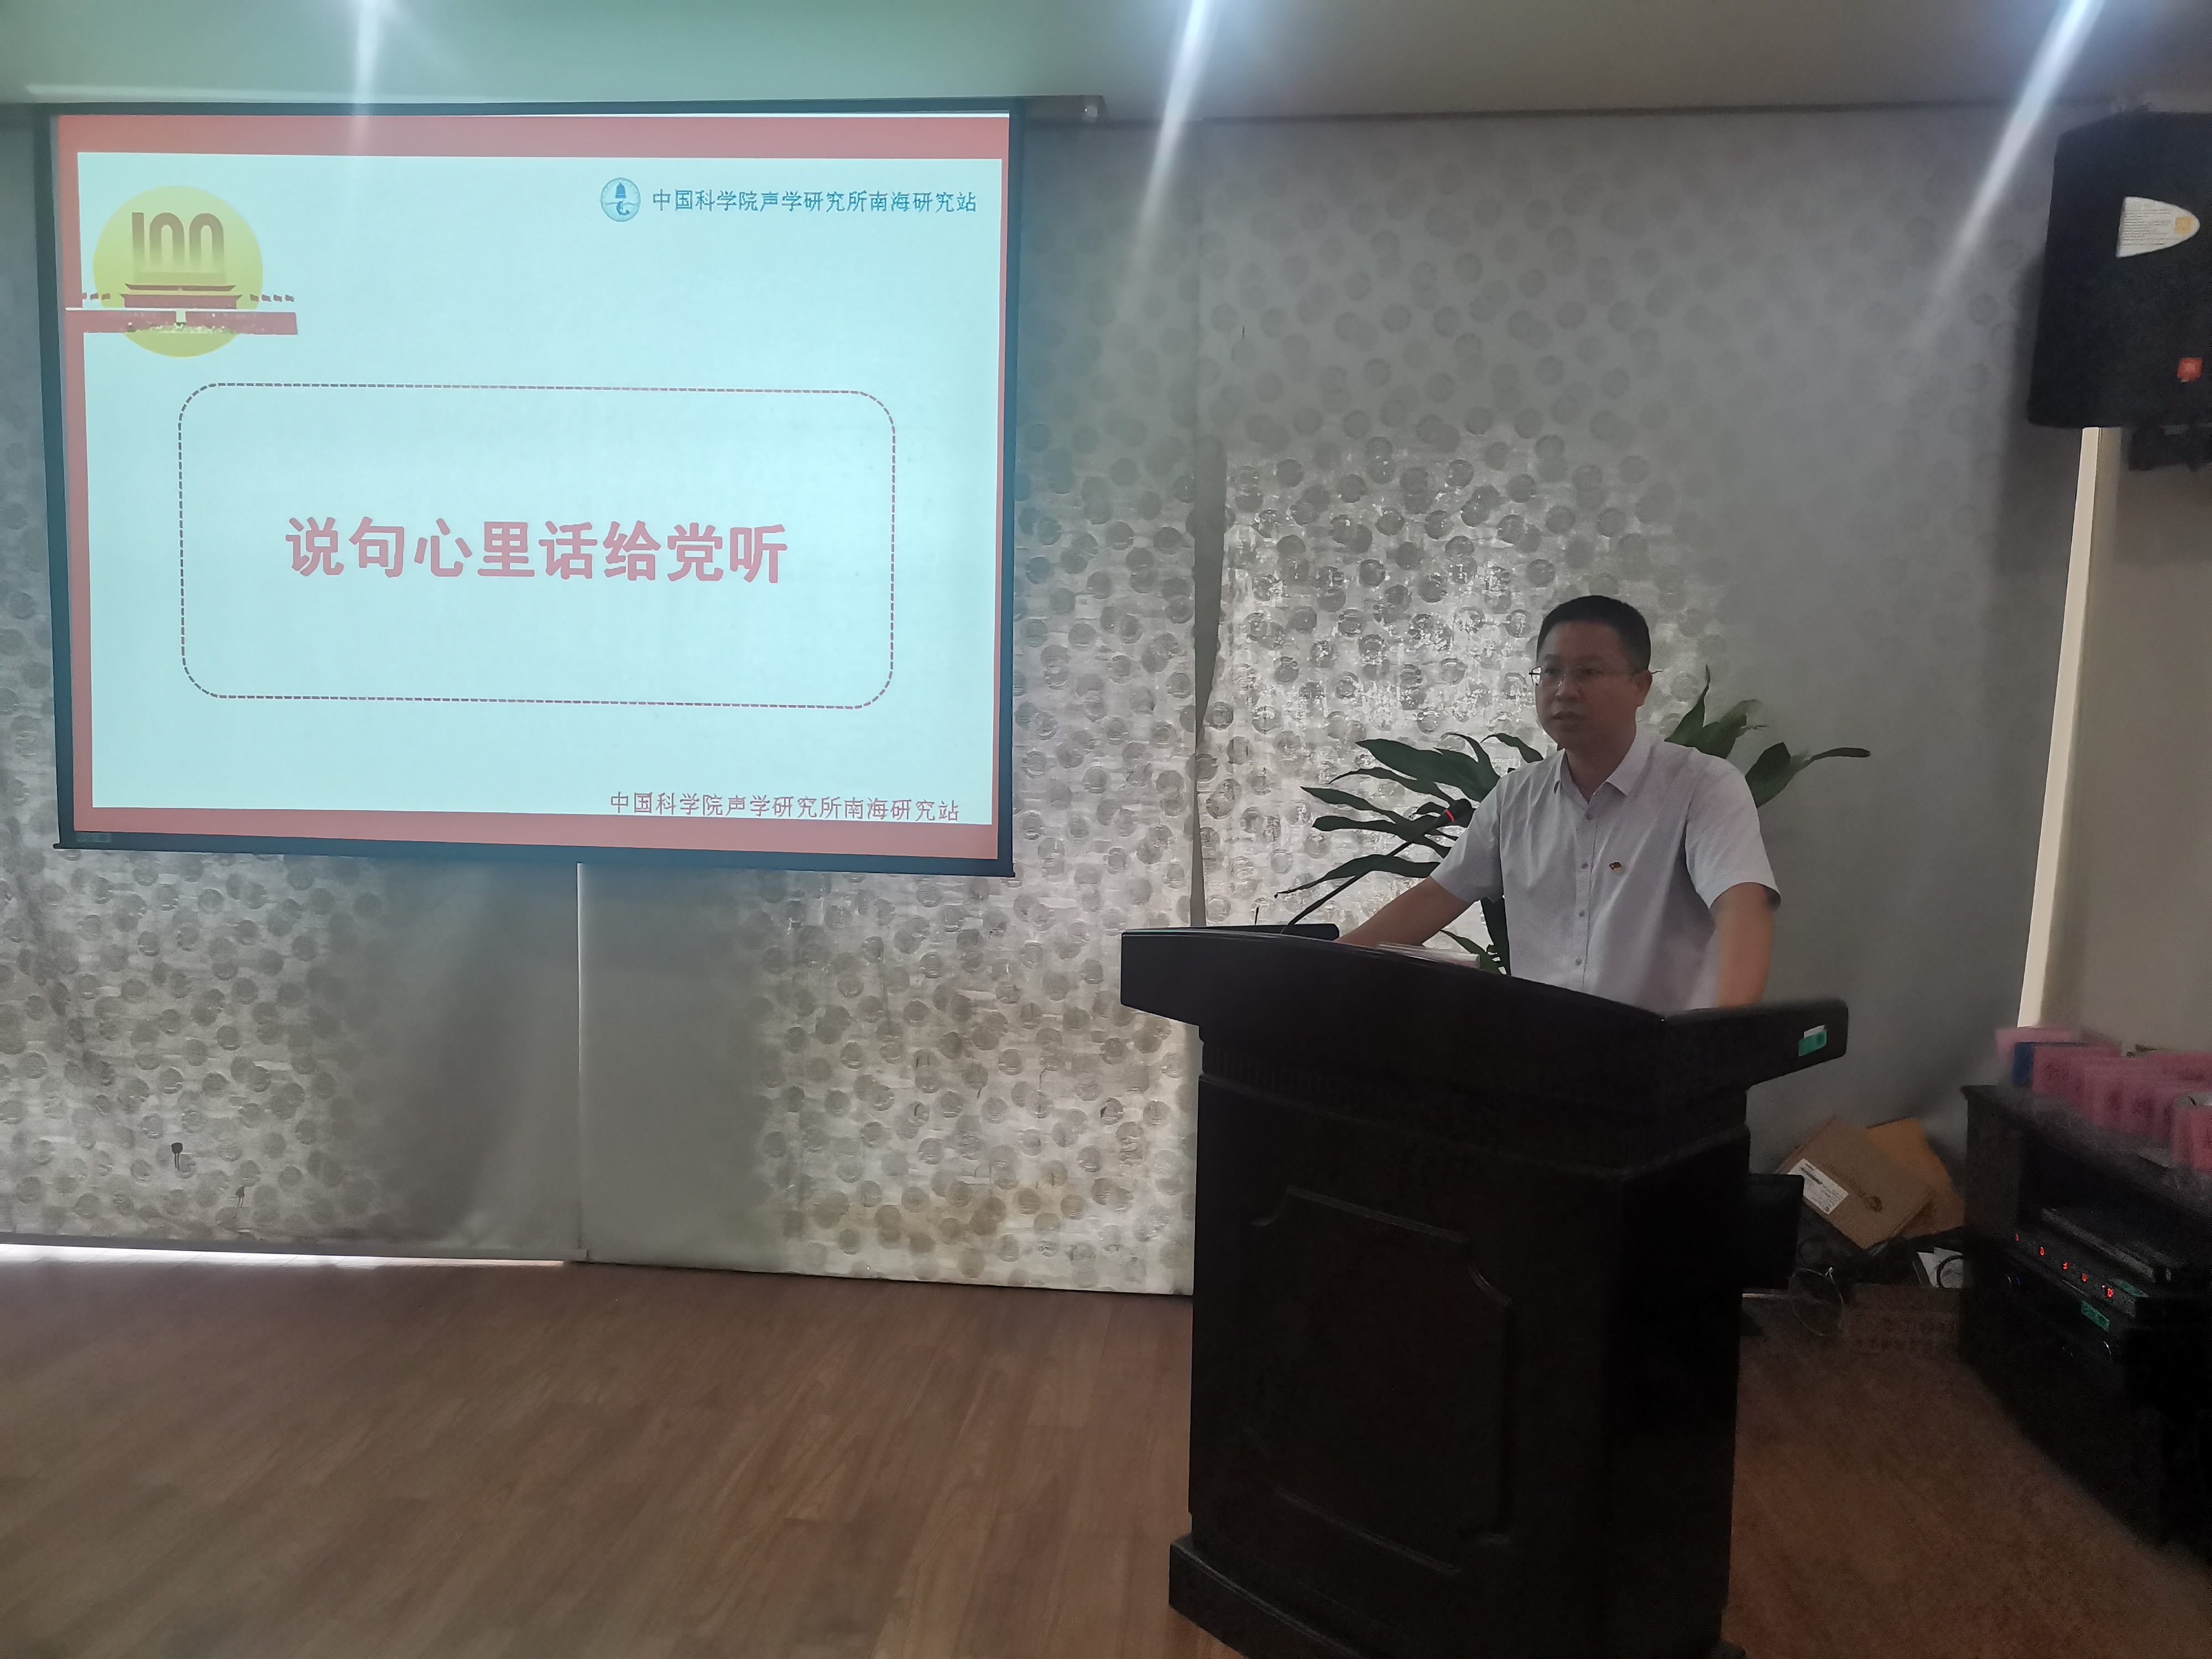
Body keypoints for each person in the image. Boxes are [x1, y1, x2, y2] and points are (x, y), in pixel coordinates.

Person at [1338, 594, 1776, 1011]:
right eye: (1551, 672)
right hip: (1541, 1050)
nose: (1565, 690)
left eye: (1588, 673)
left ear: (1640, 686)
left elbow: (1741, 905)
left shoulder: (1702, 786)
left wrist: (1719, 1038)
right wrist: (1319, 973)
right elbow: (1435, 898)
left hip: (1662, 1053)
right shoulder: (1515, 797)